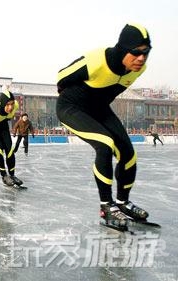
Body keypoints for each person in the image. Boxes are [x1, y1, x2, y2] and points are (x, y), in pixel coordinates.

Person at [56, 23, 152, 229]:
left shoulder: (139, 69)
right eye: (136, 52)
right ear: (123, 49)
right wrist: (73, 94)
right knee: (105, 143)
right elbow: (61, 77)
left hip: (99, 109)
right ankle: (106, 206)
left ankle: (122, 202)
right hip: (71, 107)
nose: (141, 58)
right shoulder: (97, 61)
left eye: (146, 53)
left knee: (128, 154)